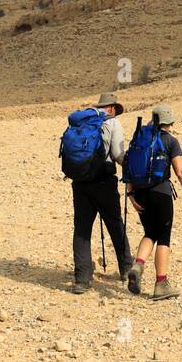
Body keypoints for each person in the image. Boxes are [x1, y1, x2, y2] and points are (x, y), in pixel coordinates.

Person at [126, 105, 182, 300]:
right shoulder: (171, 141)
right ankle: (161, 284)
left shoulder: (139, 138)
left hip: (140, 194)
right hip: (161, 194)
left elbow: (128, 166)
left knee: (149, 232)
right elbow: (181, 173)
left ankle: (138, 264)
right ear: (170, 122)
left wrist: (130, 196)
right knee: (163, 237)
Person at [65, 92, 135, 294]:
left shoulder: (80, 122)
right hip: (103, 182)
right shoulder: (112, 123)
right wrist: (129, 164)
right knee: (114, 223)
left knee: (82, 229)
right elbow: (117, 154)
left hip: (80, 182)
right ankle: (126, 269)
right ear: (112, 108)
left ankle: (82, 280)